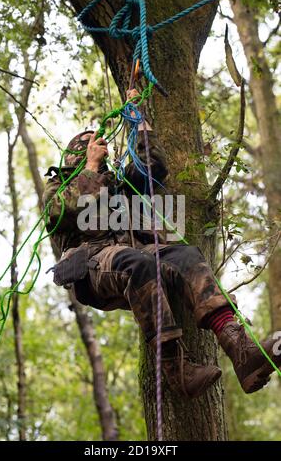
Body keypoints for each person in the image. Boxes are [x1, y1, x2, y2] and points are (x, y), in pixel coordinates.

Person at [43, 88, 281, 398]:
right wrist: (89, 169)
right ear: (77, 154)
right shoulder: (58, 185)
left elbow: (152, 166)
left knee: (185, 255)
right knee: (136, 262)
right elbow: (62, 212)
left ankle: (240, 348)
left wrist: (136, 118)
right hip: (92, 268)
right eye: (90, 144)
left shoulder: (118, 185)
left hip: (131, 258)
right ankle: (176, 369)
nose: (100, 147)